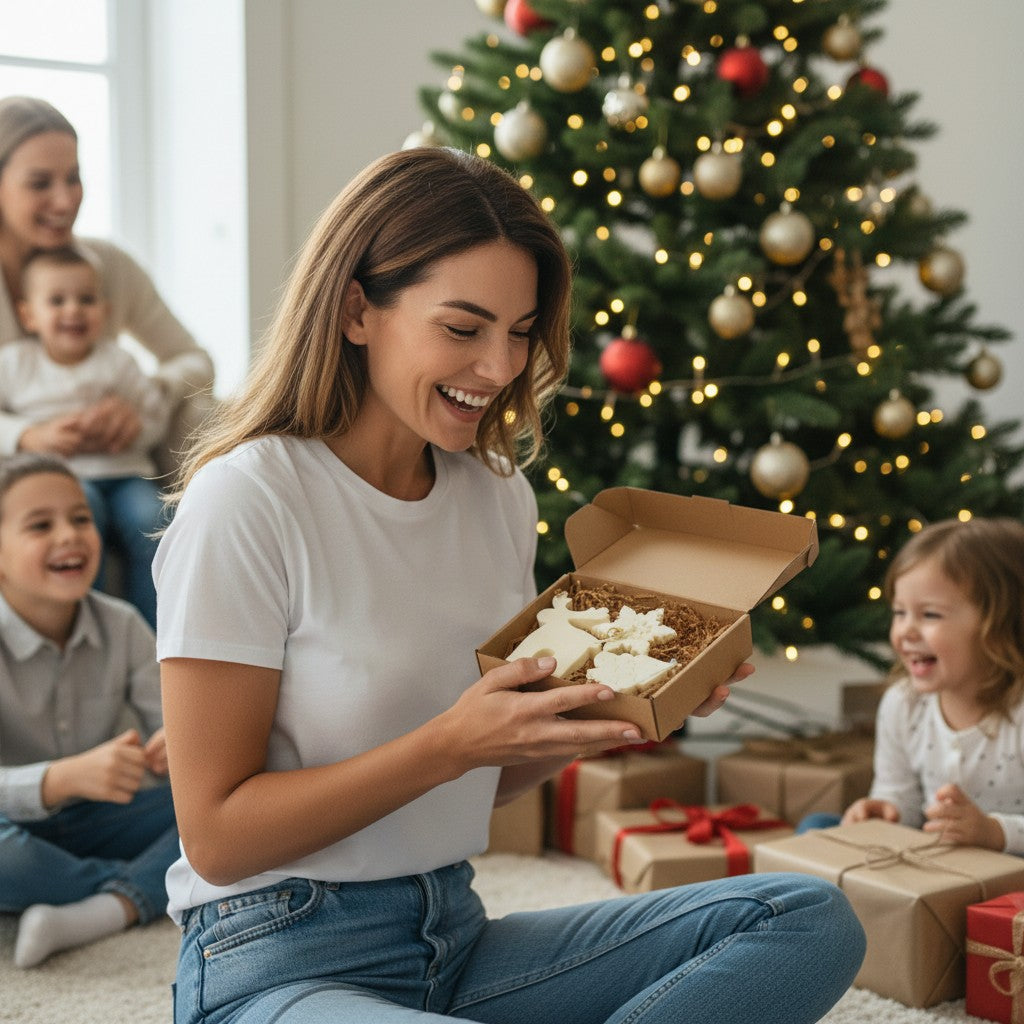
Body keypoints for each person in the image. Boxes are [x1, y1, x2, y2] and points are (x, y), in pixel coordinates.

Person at [155, 147, 864, 1024]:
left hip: (452, 937)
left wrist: (600, 718)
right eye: (463, 328)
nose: (499, 367)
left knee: (805, 917)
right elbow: (218, 838)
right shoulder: (250, 500)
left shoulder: (494, 496)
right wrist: (448, 742)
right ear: (354, 311)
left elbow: (482, 782)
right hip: (274, 956)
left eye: (522, 331)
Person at [0, 452, 179, 969]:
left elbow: (173, 718)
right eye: (40, 525)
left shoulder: (121, 624)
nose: (70, 535)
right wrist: (59, 779)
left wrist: (176, 740)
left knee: (214, 806)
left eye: (81, 518)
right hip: (11, 826)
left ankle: (100, 907)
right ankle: (139, 887)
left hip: (99, 819)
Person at [0, 95, 215, 478]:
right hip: (19, 473)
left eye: (73, 177)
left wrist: (147, 398)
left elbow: (194, 359)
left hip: (115, 467)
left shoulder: (110, 265)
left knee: (208, 414)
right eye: (40, 183)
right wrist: (25, 435)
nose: (65, 200)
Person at [797, 517, 1024, 852]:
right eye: (900, 613)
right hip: (932, 860)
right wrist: (886, 810)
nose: (905, 632)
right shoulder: (903, 704)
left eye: (930, 615)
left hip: (1007, 874)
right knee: (816, 826)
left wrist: (993, 832)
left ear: (1000, 625)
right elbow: (898, 794)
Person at [0, 245, 170, 628]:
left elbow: (155, 414)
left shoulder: (118, 362)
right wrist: (28, 435)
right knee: (79, 520)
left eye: (86, 299)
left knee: (156, 521)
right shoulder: (15, 365)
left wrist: (133, 427)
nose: (73, 309)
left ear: (105, 312)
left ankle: (151, 633)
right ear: (28, 315)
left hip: (125, 475)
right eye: (57, 301)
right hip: (60, 480)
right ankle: (86, 629)